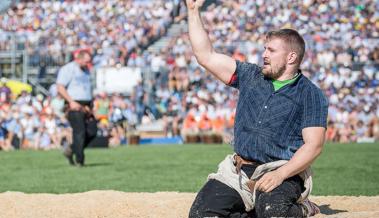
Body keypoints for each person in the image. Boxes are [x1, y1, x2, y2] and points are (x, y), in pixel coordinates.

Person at [186, 1, 328, 217]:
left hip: (282, 171)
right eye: (265, 49)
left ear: (291, 57)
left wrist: (281, 174)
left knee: (272, 212)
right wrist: (193, 10)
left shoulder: (310, 94)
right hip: (238, 171)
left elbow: (314, 145)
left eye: (271, 50)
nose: (264, 54)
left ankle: (302, 208)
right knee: (201, 214)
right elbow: (206, 56)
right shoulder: (250, 75)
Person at [56, 49, 95, 167]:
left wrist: (90, 106)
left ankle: (71, 150)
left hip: (86, 106)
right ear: (79, 59)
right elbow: (60, 87)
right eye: (86, 61)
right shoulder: (68, 69)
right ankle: (80, 161)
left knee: (93, 131)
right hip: (73, 105)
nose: (87, 64)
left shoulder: (86, 70)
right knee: (80, 132)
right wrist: (71, 102)